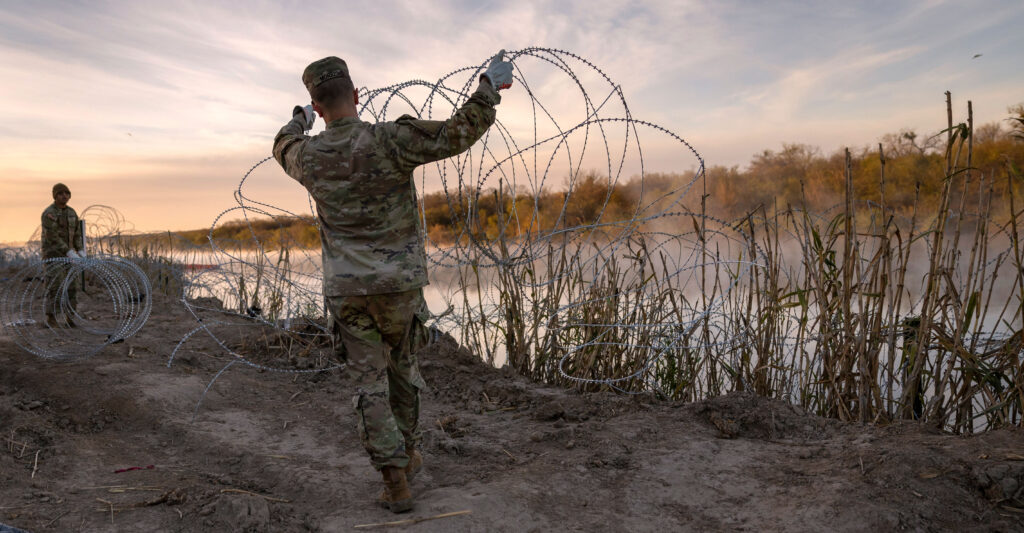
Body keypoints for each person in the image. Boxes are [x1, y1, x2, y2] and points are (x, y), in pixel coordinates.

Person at [272, 52, 513, 512]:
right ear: (357, 96)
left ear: (318, 107)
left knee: (369, 383)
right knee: (402, 370)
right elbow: (458, 131)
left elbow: (282, 143)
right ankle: (408, 450)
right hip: (399, 287)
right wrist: (488, 88)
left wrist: (297, 120)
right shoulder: (390, 140)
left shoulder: (308, 156)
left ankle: (395, 479)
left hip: (348, 293)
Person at [40, 182, 85, 327]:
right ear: (55, 196)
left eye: (66, 193)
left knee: (72, 286)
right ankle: (51, 318)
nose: (64, 196)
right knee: (55, 286)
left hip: (70, 257)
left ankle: (70, 317)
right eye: (60, 193)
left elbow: (77, 234)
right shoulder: (49, 213)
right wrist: (68, 251)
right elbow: (52, 236)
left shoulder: (72, 212)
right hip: (54, 256)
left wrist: (80, 250)